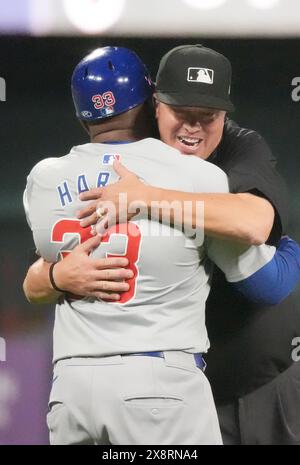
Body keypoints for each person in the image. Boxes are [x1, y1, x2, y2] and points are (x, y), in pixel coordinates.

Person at [23, 46, 300, 445]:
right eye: (180, 112)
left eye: (208, 116)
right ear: (152, 102)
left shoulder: (46, 178)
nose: (193, 127)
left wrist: (145, 197)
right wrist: (56, 276)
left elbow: (254, 222)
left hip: (72, 390)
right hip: (161, 382)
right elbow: (266, 280)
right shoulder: (196, 176)